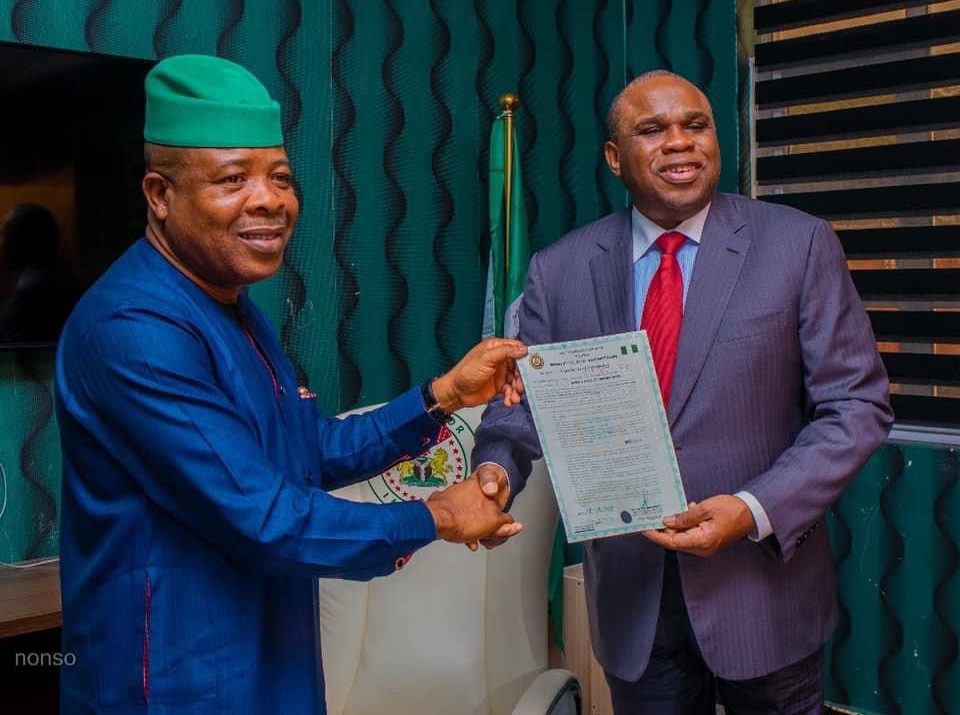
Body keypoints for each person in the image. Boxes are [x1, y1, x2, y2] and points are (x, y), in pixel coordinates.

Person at [56, 54, 526, 714]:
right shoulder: (134, 325)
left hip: (271, 660)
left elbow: (304, 451)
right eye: (232, 179)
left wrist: (442, 395)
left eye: (280, 176)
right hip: (176, 680)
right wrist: (438, 515)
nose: (270, 199)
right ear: (160, 195)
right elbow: (264, 514)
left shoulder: (230, 304)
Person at [471, 70, 893, 714]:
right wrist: (496, 469)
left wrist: (753, 508)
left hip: (762, 591)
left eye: (695, 125)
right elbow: (526, 404)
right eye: (653, 129)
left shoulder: (797, 244)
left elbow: (857, 406)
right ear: (615, 158)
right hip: (633, 599)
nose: (679, 143)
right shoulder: (559, 272)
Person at [0, 203, 83, 343]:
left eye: (4, 235)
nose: (1, 243)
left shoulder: (34, 293)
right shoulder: (64, 279)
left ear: (23, 242)